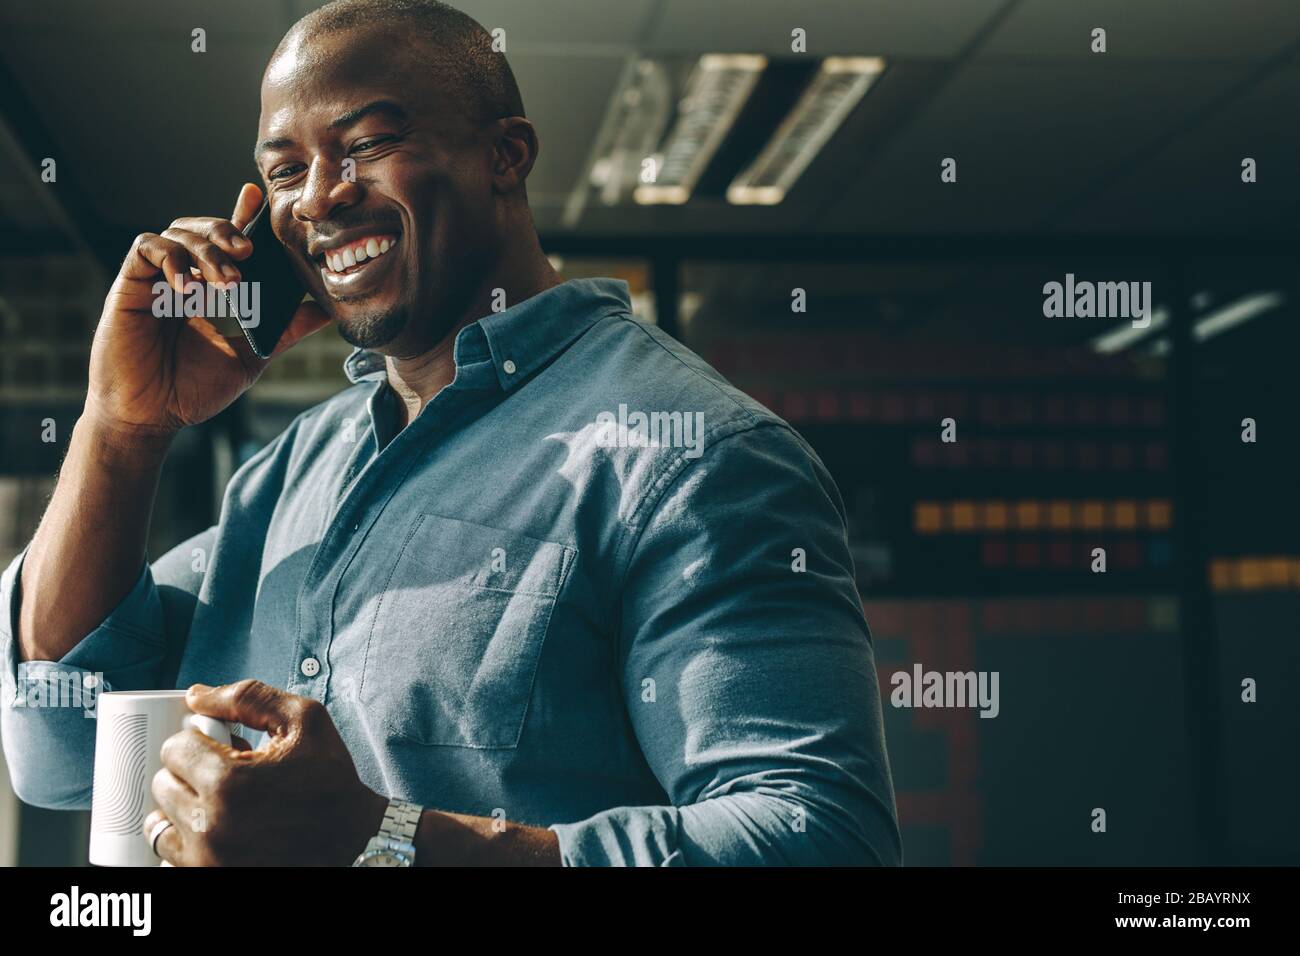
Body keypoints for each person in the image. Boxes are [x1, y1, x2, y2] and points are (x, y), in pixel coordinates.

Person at [0, 0, 901, 866]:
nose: (319, 198)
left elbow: (818, 836)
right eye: (283, 170)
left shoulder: (694, 455)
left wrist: (385, 843)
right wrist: (123, 427)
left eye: (368, 145)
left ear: (505, 156)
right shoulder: (287, 475)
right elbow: (59, 745)